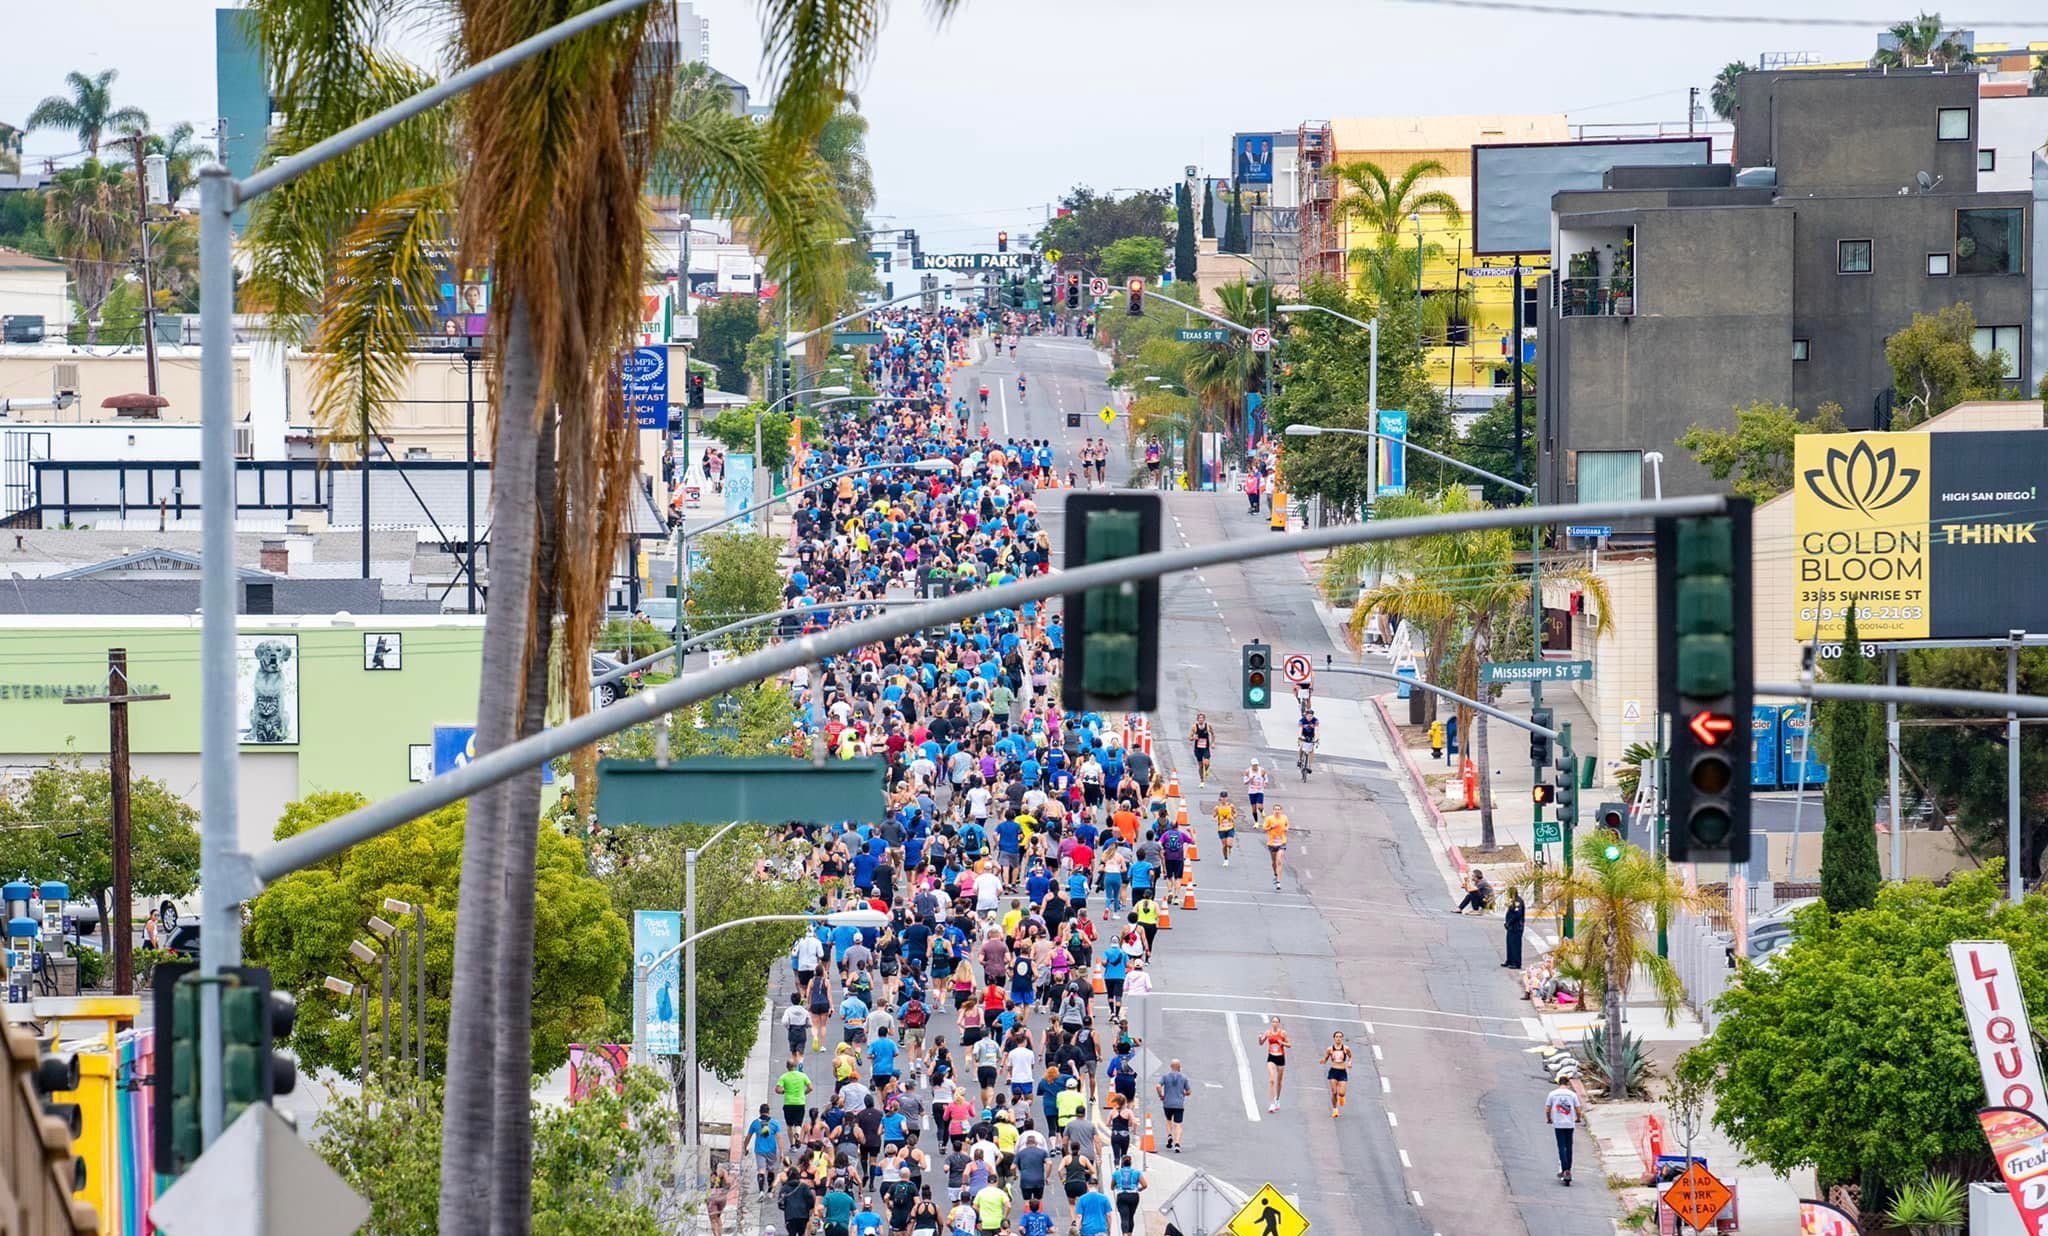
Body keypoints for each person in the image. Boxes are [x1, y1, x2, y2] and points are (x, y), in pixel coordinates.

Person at [1546, 1076, 1583, 1185]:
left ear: (1559, 1083)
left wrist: (1549, 1119)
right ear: (1567, 1083)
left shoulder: (1552, 1094)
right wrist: (1578, 1118)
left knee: (1561, 1147)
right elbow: (1578, 1109)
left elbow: (1547, 1109)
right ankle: (1568, 1169)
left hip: (1558, 1124)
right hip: (1569, 1124)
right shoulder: (1572, 1094)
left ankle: (1564, 1170)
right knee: (1569, 1147)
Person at [1155, 1058, 1191, 1152]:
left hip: (1167, 1103)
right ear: (1179, 1067)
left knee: (1168, 1120)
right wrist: (1184, 1093)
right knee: (1178, 1124)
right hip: (1179, 1104)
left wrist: (1161, 1096)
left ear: (1171, 1067)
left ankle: (1169, 1135)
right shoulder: (1184, 1078)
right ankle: (1177, 1143)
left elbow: (1158, 1086)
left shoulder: (1166, 1076)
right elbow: (1189, 1091)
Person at [748, 1102, 784, 1192]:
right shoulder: (775, 1123)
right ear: (769, 1112)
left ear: (759, 1112)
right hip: (771, 1150)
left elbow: (748, 1137)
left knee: (761, 1170)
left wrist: (744, 1147)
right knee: (771, 1170)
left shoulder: (755, 1123)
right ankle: (770, 1189)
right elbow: (779, 1139)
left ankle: (761, 1191)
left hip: (759, 1150)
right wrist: (782, 1152)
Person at [1257, 1018, 1290, 1113]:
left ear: (1279, 1023)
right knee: (1272, 1080)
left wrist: (1282, 1043)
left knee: (1279, 1082)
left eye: (1276, 1022)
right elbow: (1261, 1043)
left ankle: (1277, 1099)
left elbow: (1289, 1044)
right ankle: (1271, 1104)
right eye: (1273, 1022)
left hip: (1280, 1058)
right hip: (1271, 1057)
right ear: (1271, 1023)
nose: (1275, 1023)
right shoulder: (1268, 1032)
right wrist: (1259, 1038)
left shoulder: (1283, 1033)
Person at [1109, 1156, 1147, 1236]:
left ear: (1122, 1163)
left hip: (1122, 1196)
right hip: (1134, 1196)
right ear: (1131, 1163)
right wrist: (1139, 1189)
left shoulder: (1117, 1173)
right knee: (1131, 1216)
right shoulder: (1137, 1172)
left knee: (1124, 1217)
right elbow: (1145, 1185)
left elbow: (1112, 1187)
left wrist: (1116, 1186)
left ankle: (1125, 1234)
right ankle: (1130, 1234)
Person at [1320, 1031, 1354, 1119]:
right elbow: (1326, 1057)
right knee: (1334, 1092)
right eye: (1336, 1036)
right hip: (1333, 1071)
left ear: (1342, 1038)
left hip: (1342, 1072)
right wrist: (1323, 1060)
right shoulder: (1330, 1049)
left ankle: (1342, 1097)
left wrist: (1350, 1063)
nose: (1338, 1038)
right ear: (1334, 1038)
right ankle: (1335, 1109)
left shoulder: (1346, 1048)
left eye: (1340, 1036)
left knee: (1341, 1093)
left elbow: (1351, 1056)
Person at [1262, 806, 1289, 891]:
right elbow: (1264, 829)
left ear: (1281, 810)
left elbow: (1287, 824)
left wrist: (1286, 828)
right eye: (1275, 809)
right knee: (1274, 862)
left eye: (1279, 809)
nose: (1277, 811)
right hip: (1272, 843)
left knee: (1279, 861)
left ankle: (1278, 882)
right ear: (1273, 810)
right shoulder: (1269, 819)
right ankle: (1275, 874)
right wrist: (1271, 827)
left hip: (1282, 842)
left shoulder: (1284, 817)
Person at [706, 1161, 736, 1236]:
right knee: (718, 1218)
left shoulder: (721, 1171)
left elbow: (726, 1181)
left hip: (713, 1196)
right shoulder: (730, 1176)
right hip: (723, 1198)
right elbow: (729, 1183)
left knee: (713, 1220)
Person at [1208, 791, 1237, 866]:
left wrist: (1233, 817)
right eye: (1222, 797)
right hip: (1221, 828)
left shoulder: (1231, 806)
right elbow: (1213, 816)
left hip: (1230, 827)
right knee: (1224, 845)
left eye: (1225, 797)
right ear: (1220, 798)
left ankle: (1230, 848)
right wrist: (1214, 818)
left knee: (1229, 844)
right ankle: (1226, 859)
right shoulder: (1217, 808)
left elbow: (1236, 813)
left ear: (1227, 798)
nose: (1223, 799)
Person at [1188, 713, 1214, 785]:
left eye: (1202, 718)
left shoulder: (1208, 726)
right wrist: (1193, 738)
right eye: (1199, 718)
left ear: (1204, 719)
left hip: (1205, 748)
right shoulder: (1194, 727)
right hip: (1198, 749)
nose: (1201, 720)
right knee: (1200, 765)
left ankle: (1206, 770)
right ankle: (1202, 781)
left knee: (1206, 763)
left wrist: (1213, 743)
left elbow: (1213, 734)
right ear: (1197, 719)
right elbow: (1190, 737)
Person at [1504, 888, 1527, 969]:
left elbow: (1517, 914)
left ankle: (1516, 963)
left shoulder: (1518, 901)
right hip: (1511, 927)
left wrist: (1509, 922)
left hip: (1516, 927)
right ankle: (1509, 960)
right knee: (1510, 944)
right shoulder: (1512, 900)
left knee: (1515, 945)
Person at [1296, 706, 1319, 777]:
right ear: (1305, 715)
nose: (1310, 717)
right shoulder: (1302, 721)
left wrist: (1317, 738)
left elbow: (1316, 730)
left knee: (1311, 750)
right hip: (1304, 735)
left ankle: (1309, 765)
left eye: (1311, 716)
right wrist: (1300, 737)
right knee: (1302, 747)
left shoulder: (1316, 721)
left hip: (1311, 735)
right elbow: (1300, 730)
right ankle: (1300, 760)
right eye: (1308, 716)